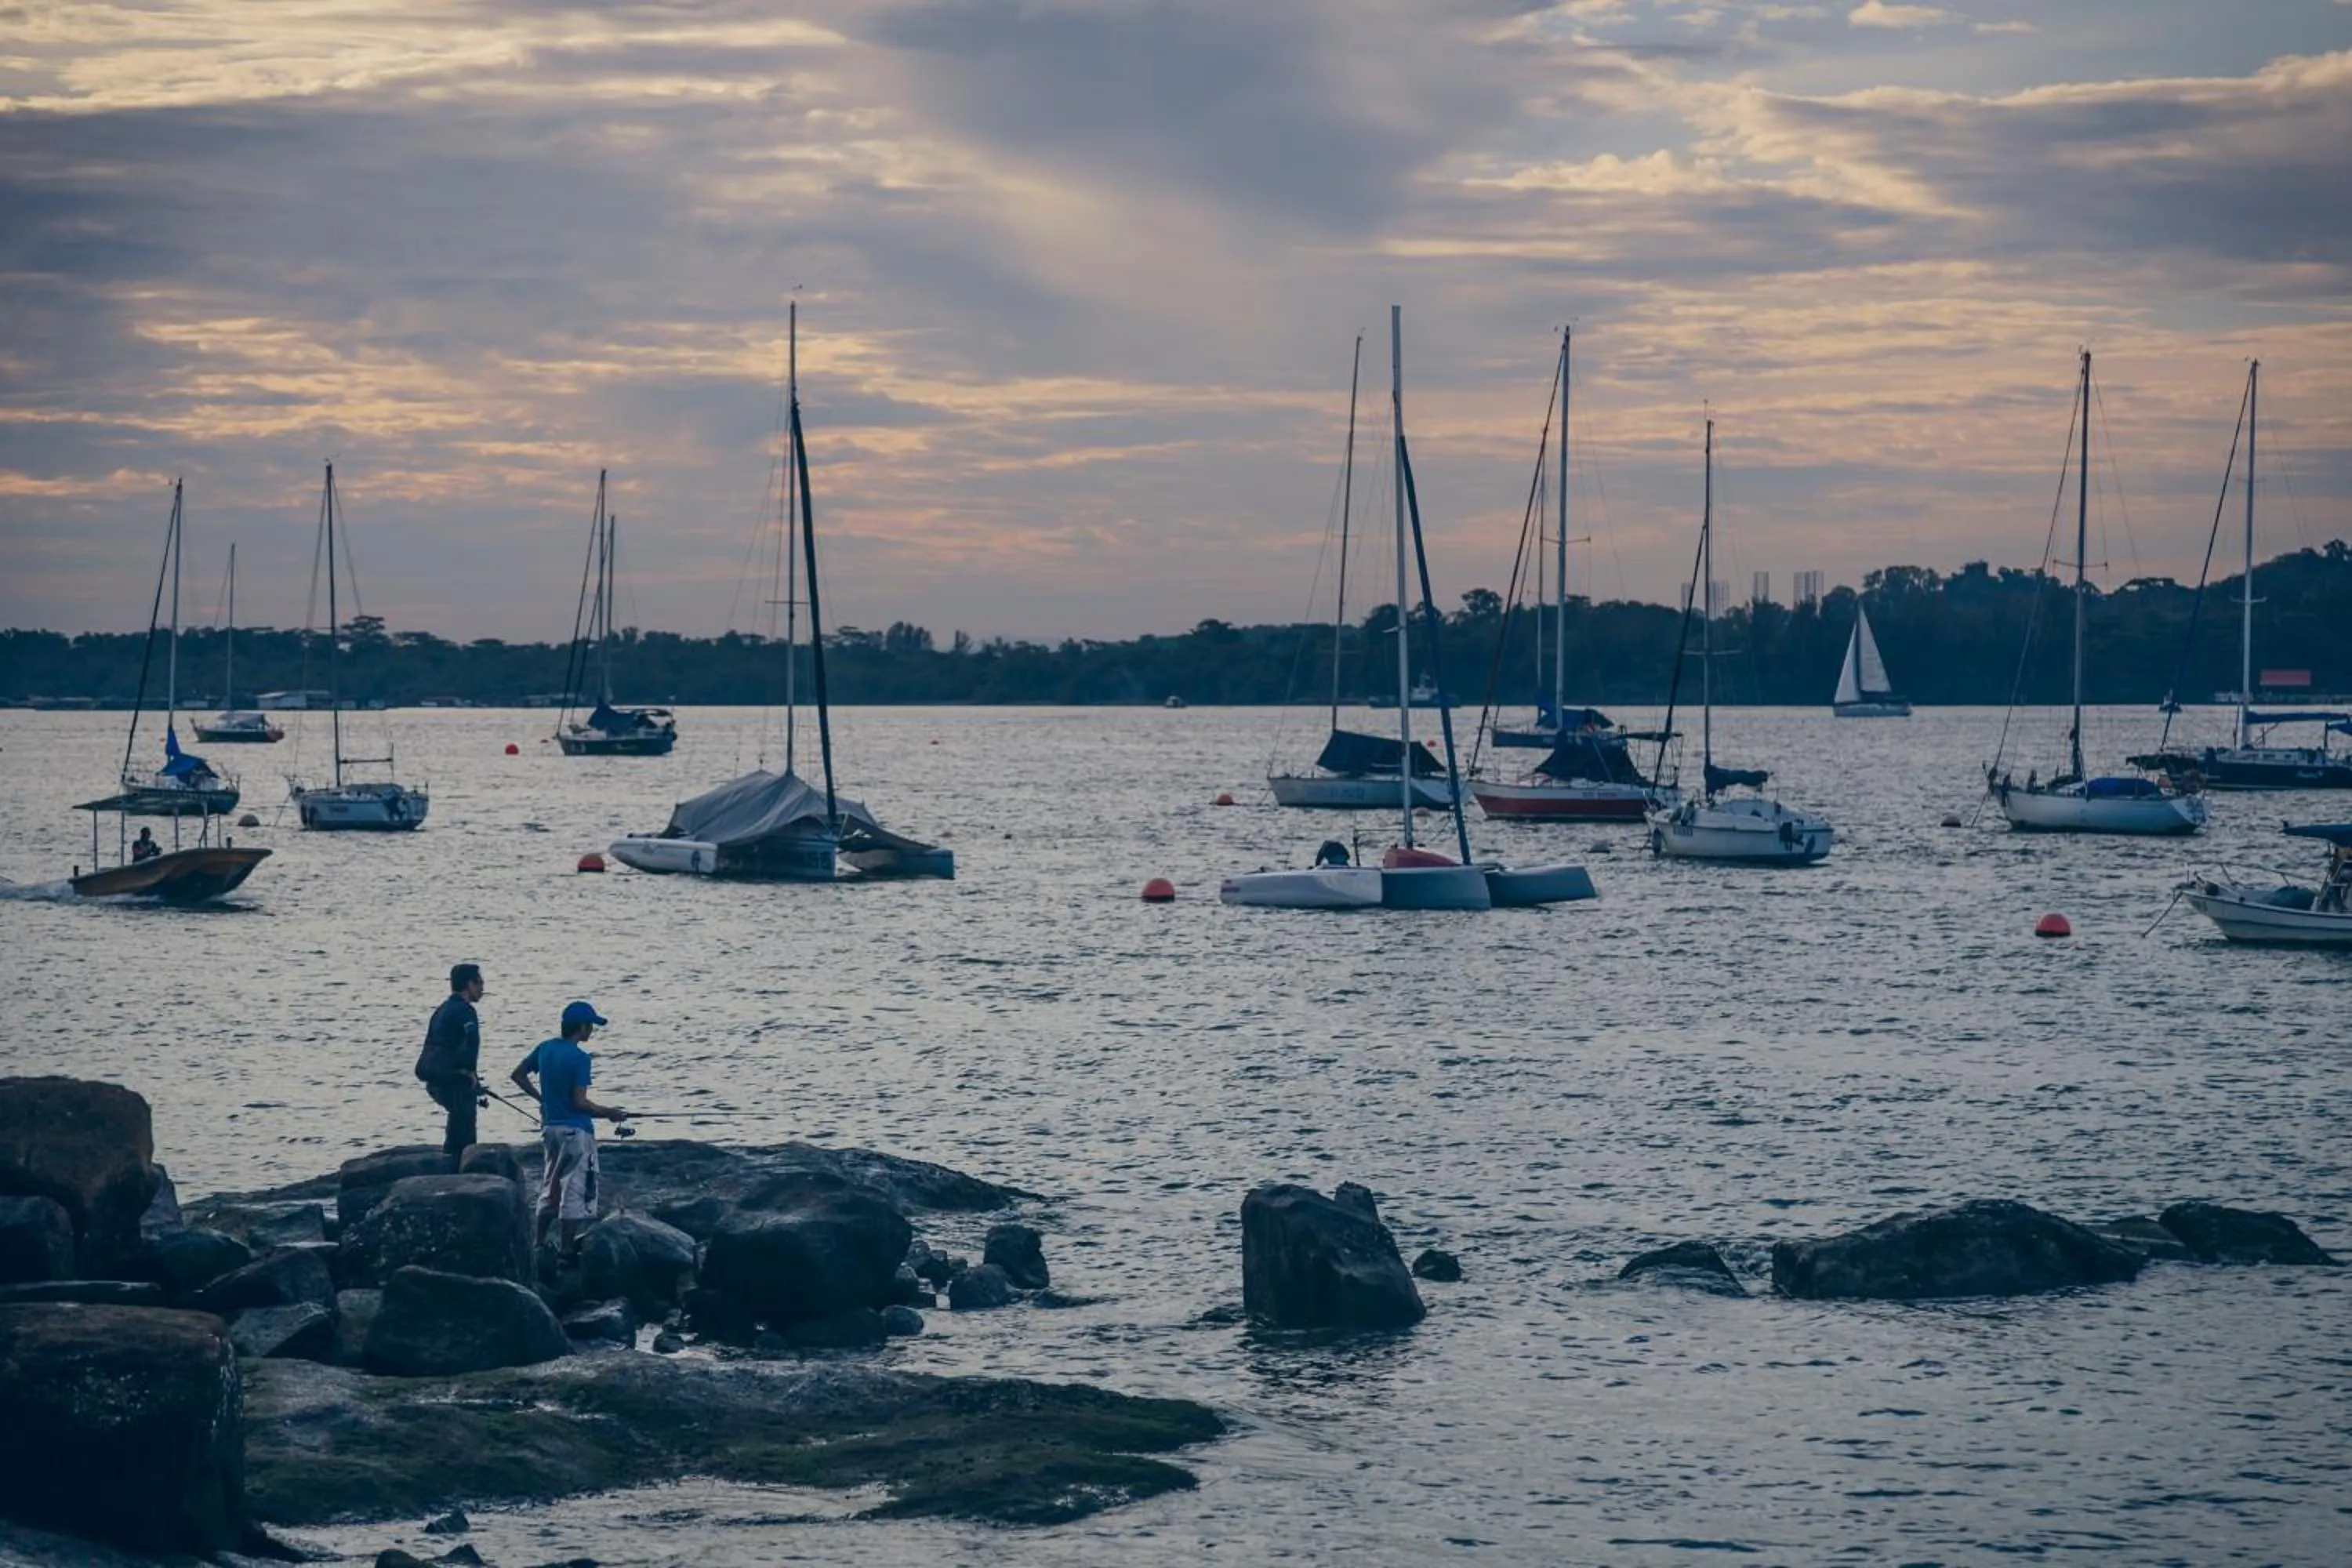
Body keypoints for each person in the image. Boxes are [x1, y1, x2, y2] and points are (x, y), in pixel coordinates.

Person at [511, 1000, 628, 1261]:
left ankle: (539, 1244)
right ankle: (565, 1250)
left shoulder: (546, 1048)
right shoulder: (580, 1059)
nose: (592, 1031)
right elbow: (580, 1102)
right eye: (591, 1026)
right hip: (577, 1132)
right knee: (575, 1189)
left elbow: (517, 1075)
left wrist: (541, 1099)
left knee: (550, 1186)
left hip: (551, 1129)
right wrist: (611, 1113)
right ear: (582, 1027)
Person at [414, 964, 485, 1163]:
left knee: (456, 1123)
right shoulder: (465, 1011)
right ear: (468, 984)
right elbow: (472, 1042)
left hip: (435, 1077)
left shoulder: (441, 1010)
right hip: (455, 1077)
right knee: (465, 1128)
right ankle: (462, 1170)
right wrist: (471, 1073)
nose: (482, 988)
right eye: (479, 983)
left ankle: (450, 1161)